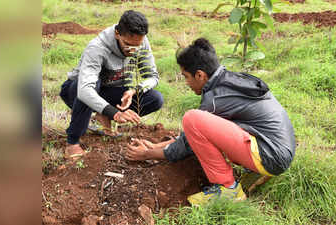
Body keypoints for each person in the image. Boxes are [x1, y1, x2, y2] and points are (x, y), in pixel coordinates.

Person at [125, 38, 295, 205]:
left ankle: (228, 189)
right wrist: (154, 146)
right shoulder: (228, 80)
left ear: (200, 75)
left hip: (270, 154)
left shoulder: (215, 99)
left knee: (192, 119)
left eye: (186, 77)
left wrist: (148, 154)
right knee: (197, 124)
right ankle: (252, 170)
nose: (186, 83)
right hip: (279, 148)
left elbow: (188, 142)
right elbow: (192, 137)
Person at [60, 10, 163, 159]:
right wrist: (114, 113)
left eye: (137, 46)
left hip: (111, 90)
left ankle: (103, 112)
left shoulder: (142, 43)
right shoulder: (97, 48)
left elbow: (152, 77)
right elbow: (84, 90)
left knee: (155, 98)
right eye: (127, 44)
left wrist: (134, 90)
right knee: (92, 85)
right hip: (77, 90)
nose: (132, 50)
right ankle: (72, 142)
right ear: (117, 34)